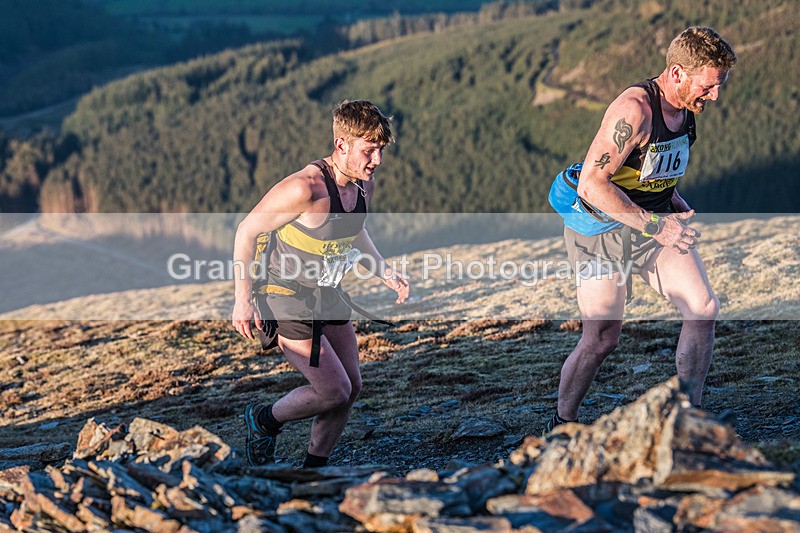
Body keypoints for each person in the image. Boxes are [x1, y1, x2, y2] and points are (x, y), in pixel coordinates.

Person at [546, 27, 737, 431]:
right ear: (677, 73)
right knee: (602, 338)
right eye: (708, 86)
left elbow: (652, 167)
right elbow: (592, 185)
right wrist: (656, 225)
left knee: (703, 309)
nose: (715, 96)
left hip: (653, 222)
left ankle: (689, 418)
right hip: (601, 228)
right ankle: (562, 425)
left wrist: (672, 198)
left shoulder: (686, 109)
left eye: (719, 86)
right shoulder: (634, 110)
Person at [231, 100, 410, 468]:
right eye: (368, 150)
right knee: (335, 389)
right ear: (341, 144)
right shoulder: (304, 188)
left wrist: (385, 271)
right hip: (286, 295)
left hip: (327, 293)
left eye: (380, 151)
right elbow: (246, 231)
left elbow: (354, 231)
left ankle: (314, 470)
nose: (376, 160)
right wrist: (242, 300)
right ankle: (264, 420)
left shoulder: (364, 185)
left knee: (352, 388)